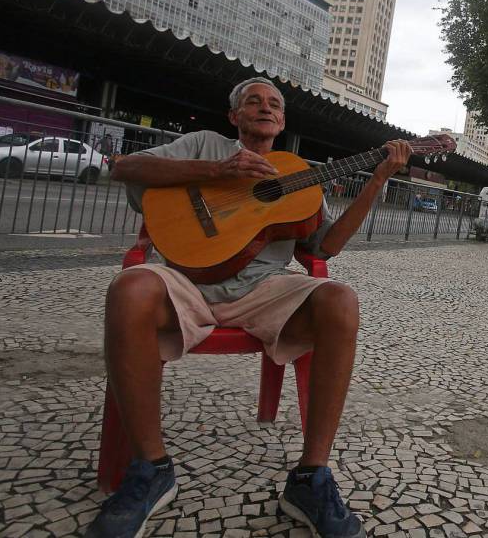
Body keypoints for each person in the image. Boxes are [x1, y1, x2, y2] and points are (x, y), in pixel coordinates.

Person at [85, 77, 410, 538]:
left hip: (263, 291)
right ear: (234, 116)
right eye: (253, 101)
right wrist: (216, 173)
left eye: (274, 104)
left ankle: (311, 477)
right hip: (185, 280)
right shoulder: (204, 144)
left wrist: (378, 179)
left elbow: (327, 247)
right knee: (128, 289)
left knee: (341, 300)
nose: (265, 107)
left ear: (281, 121)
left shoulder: (298, 175)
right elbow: (126, 169)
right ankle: (151, 467)